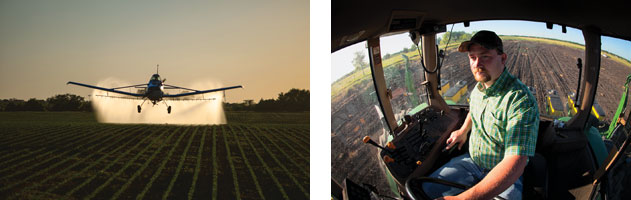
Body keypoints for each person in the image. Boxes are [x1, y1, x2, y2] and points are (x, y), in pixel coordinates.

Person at [422, 30, 539, 200]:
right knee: (427, 188)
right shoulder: (480, 88)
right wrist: (463, 130)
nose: (477, 64)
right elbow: (474, 109)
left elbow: (515, 162)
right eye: (472, 57)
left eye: (485, 56)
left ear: (503, 58)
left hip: (504, 171)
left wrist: (462, 199)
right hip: (473, 162)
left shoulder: (519, 100)